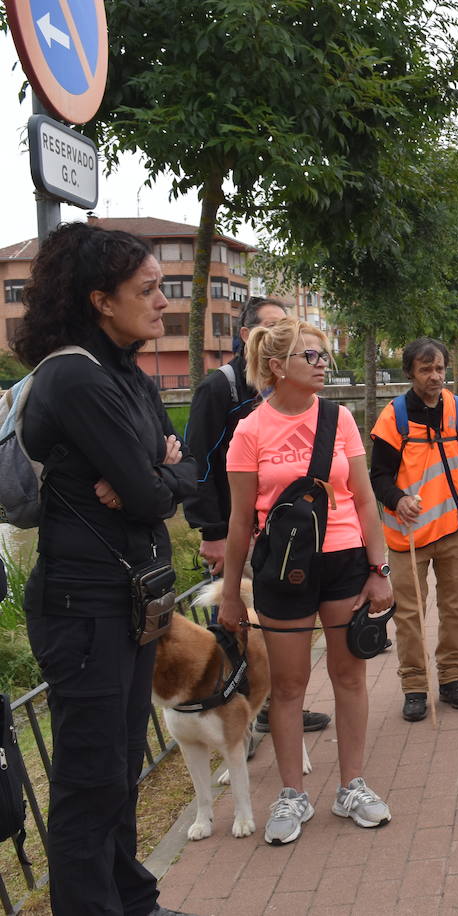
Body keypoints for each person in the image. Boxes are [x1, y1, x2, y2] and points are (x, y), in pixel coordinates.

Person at [13, 222, 197, 915]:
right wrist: (159, 476)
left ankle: (133, 901)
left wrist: (160, 477)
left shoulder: (127, 372)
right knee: (91, 781)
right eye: (147, 290)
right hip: (82, 608)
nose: (162, 302)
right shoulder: (73, 379)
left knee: (119, 769)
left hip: (128, 601)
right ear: (100, 300)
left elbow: (185, 475)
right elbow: (154, 492)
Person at [217, 317, 394, 846]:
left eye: (324, 356)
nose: (323, 365)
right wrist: (230, 593)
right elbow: (239, 521)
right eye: (311, 357)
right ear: (277, 367)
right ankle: (292, 794)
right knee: (289, 687)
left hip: (343, 561)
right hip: (282, 570)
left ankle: (352, 786)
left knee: (350, 677)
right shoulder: (249, 430)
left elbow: (365, 499)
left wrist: (379, 569)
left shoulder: (339, 420)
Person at [183, 296, 332, 739]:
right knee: (236, 634)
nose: (282, 336)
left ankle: (276, 706)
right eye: (272, 328)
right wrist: (212, 533)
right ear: (248, 337)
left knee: (274, 636)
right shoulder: (220, 389)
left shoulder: (287, 394)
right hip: (237, 535)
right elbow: (200, 463)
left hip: (280, 537)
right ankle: (235, 726)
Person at [369, 337, 458, 721]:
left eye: (439, 368)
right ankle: (415, 687)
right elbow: (379, 475)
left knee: (456, 609)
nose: (435, 377)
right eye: (426, 370)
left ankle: (452, 679)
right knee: (409, 613)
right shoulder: (394, 417)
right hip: (410, 534)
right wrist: (397, 499)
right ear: (410, 373)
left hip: (457, 528)